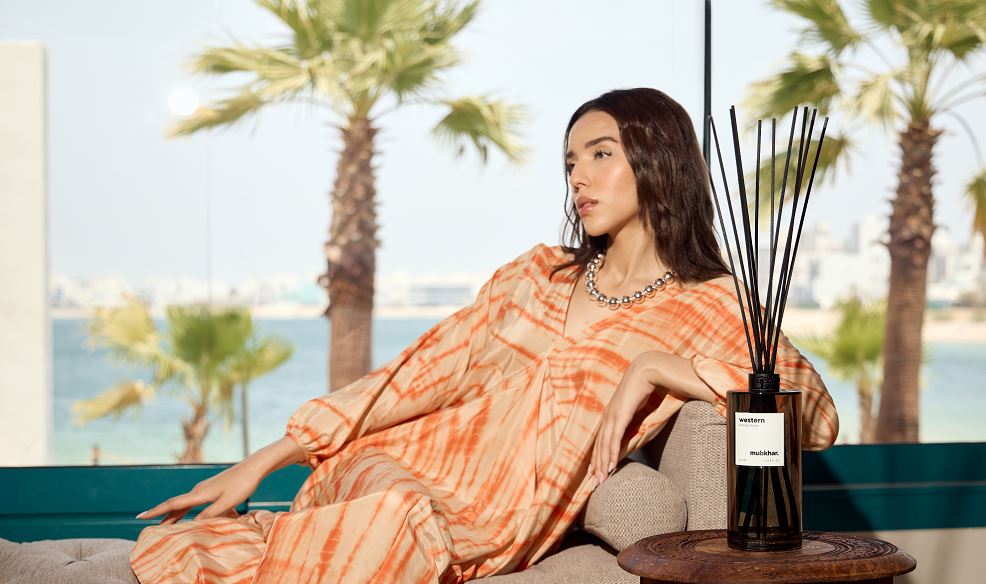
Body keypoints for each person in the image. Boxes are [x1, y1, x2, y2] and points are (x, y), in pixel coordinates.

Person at [129, 88, 839, 583]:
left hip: (488, 516)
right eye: (570, 162)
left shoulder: (711, 303)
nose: (578, 179)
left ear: (659, 161)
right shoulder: (537, 277)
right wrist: (263, 461)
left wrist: (653, 366)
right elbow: (415, 375)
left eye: (600, 154)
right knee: (390, 500)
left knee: (400, 520)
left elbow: (815, 416)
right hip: (402, 464)